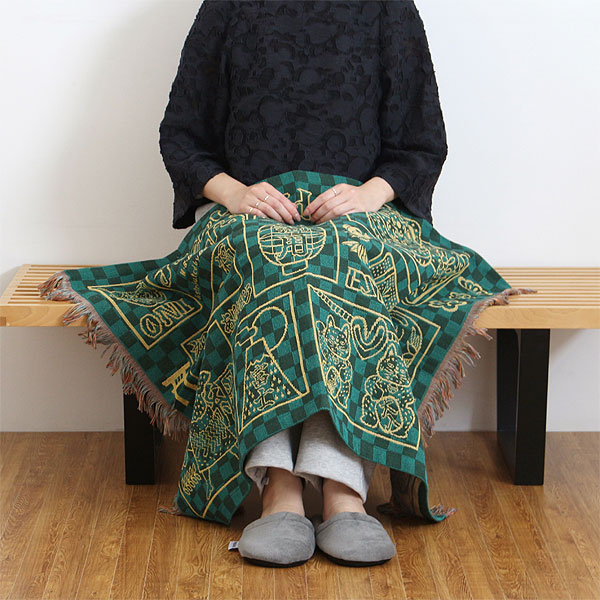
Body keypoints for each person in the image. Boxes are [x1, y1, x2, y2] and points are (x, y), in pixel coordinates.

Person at [158, 0, 448, 568]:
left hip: (361, 219)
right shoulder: (228, 6)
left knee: (335, 260)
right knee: (273, 262)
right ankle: (280, 488)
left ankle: (341, 489)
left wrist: (367, 196)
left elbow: (422, 143)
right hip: (249, 219)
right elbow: (182, 137)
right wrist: (235, 193)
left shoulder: (388, 7)